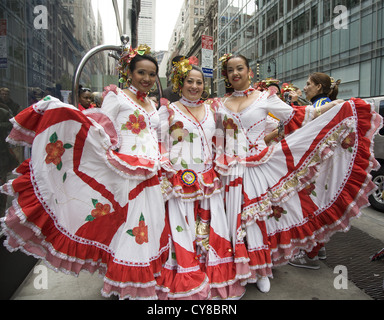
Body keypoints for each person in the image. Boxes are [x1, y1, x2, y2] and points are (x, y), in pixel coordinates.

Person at [0, 45, 170, 300]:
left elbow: (154, 133)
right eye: (141, 73)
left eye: (151, 75)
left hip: (151, 170)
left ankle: (141, 276)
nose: (146, 79)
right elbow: (99, 129)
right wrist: (64, 111)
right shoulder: (117, 96)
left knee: (151, 224)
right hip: (126, 171)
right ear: (129, 73)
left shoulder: (151, 103)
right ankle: (129, 281)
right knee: (133, 225)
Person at [216, 53, 382, 293]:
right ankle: (237, 268)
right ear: (227, 76)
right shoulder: (220, 104)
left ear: (249, 71)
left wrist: (334, 106)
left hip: (260, 165)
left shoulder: (265, 98)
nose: (235, 73)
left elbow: (301, 115)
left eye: (240, 68)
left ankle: (261, 269)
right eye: (230, 70)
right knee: (233, 217)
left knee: (258, 219)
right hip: (230, 168)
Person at [156, 57, 244, 300]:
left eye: (199, 82)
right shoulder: (168, 110)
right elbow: (156, 142)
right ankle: (186, 277)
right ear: (179, 83)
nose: (195, 87)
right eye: (189, 82)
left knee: (210, 230)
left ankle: (212, 277)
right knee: (182, 231)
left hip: (208, 180)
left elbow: (226, 136)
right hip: (180, 182)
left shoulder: (213, 110)